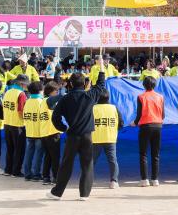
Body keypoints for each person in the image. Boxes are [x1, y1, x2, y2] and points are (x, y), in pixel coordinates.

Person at [48, 63, 109, 201]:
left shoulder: (65, 99)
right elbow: (100, 85)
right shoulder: (90, 96)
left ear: (70, 83)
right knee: (87, 164)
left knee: (66, 164)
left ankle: (57, 193)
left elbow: (55, 117)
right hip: (87, 136)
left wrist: (63, 128)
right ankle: (84, 194)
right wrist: (101, 69)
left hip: (72, 135)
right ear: (84, 83)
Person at [135, 75, 165, 187]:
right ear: (154, 85)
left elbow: (139, 114)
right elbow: (163, 115)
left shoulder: (141, 97)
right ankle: (155, 179)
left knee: (143, 153)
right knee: (155, 154)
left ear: (144, 85)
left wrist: (135, 122)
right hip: (158, 126)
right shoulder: (160, 97)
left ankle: (144, 179)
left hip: (145, 126)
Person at [90, 90, 122, 189]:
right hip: (110, 138)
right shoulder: (114, 108)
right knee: (113, 160)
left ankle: (88, 180)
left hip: (96, 138)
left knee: (91, 161)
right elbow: (121, 123)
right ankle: (114, 181)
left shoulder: (93, 108)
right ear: (108, 98)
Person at [22, 81, 53, 181]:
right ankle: (36, 174)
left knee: (29, 153)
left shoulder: (27, 101)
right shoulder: (41, 102)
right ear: (41, 90)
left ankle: (27, 173)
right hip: (40, 132)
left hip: (29, 130)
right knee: (39, 154)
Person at [2, 76, 28, 176]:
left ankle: (8, 169)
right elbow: (21, 110)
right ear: (21, 84)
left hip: (7, 123)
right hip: (18, 125)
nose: (26, 86)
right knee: (19, 149)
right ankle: (16, 171)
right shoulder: (21, 94)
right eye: (26, 84)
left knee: (10, 148)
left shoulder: (8, 91)